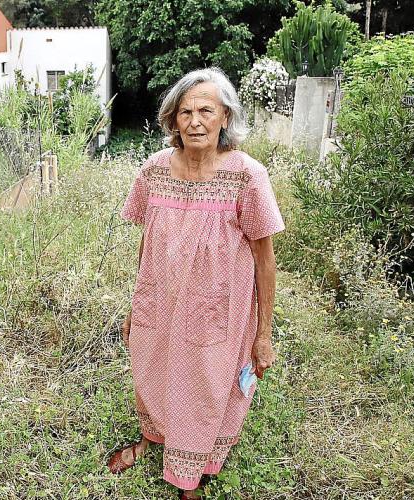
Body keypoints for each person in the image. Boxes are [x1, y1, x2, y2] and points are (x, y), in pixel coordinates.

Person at [107, 67, 285, 499]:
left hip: (215, 306)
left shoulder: (247, 175)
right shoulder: (154, 170)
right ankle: (152, 437)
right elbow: (149, 240)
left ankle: (191, 472)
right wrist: (135, 303)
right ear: (173, 119)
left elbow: (265, 260)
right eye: (185, 112)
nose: (195, 121)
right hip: (159, 299)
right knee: (151, 365)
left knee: (204, 385)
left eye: (206, 110)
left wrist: (264, 333)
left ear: (226, 117)